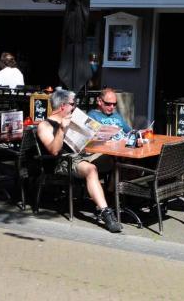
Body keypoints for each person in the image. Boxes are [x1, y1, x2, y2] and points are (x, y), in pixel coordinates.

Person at [36, 87, 122, 233]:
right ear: (63, 105)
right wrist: (62, 130)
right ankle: (105, 212)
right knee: (91, 170)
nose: (75, 107)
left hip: (81, 156)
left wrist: (98, 135)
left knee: (117, 159)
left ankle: (111, 199)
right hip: (62, 162)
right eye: (73, 104)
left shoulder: (73, 120)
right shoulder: (45, 125)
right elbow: (54, 150)